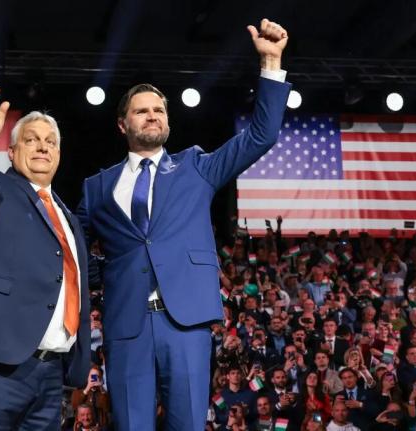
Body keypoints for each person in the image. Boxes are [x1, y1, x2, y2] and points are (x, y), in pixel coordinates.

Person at [76, 18, 291, 429]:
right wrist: (108, 273)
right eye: (142, 111)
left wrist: (270, 64)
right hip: (126, 326)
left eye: (159, 110)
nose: (152, 116)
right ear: (123, 125)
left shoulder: (196, 167)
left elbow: (260, 136)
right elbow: (73, 244)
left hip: (186, 324)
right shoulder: (97, 187)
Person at [0, 92, 90, 429]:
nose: (42, 147)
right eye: (31, 139)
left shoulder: (68, 217)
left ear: (59, 154)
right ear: (11, 151)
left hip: (51, 373)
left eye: (50, 142)